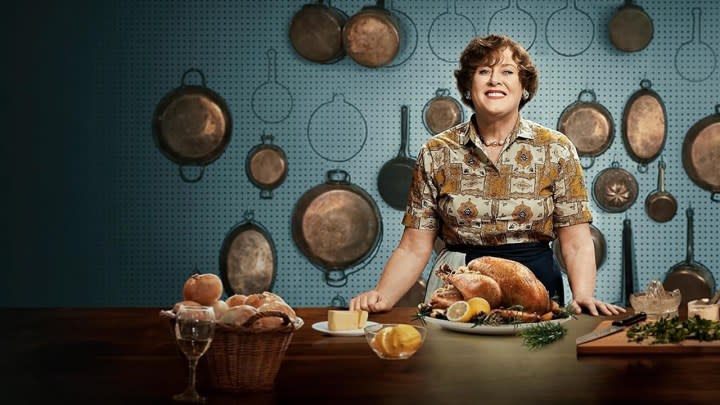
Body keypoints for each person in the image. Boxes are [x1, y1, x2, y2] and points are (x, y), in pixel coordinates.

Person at [350, 35, 624, 317]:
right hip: (458, 285)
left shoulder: (556, 149)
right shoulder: (436, 152)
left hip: (534, 286)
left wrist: (583, 296)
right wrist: (381, 294)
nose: (495, 80)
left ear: (524, 88)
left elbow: (577, 241)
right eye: (483, 71)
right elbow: (413, 247)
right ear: (469, 87)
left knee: (538, 362)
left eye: (507, 72)